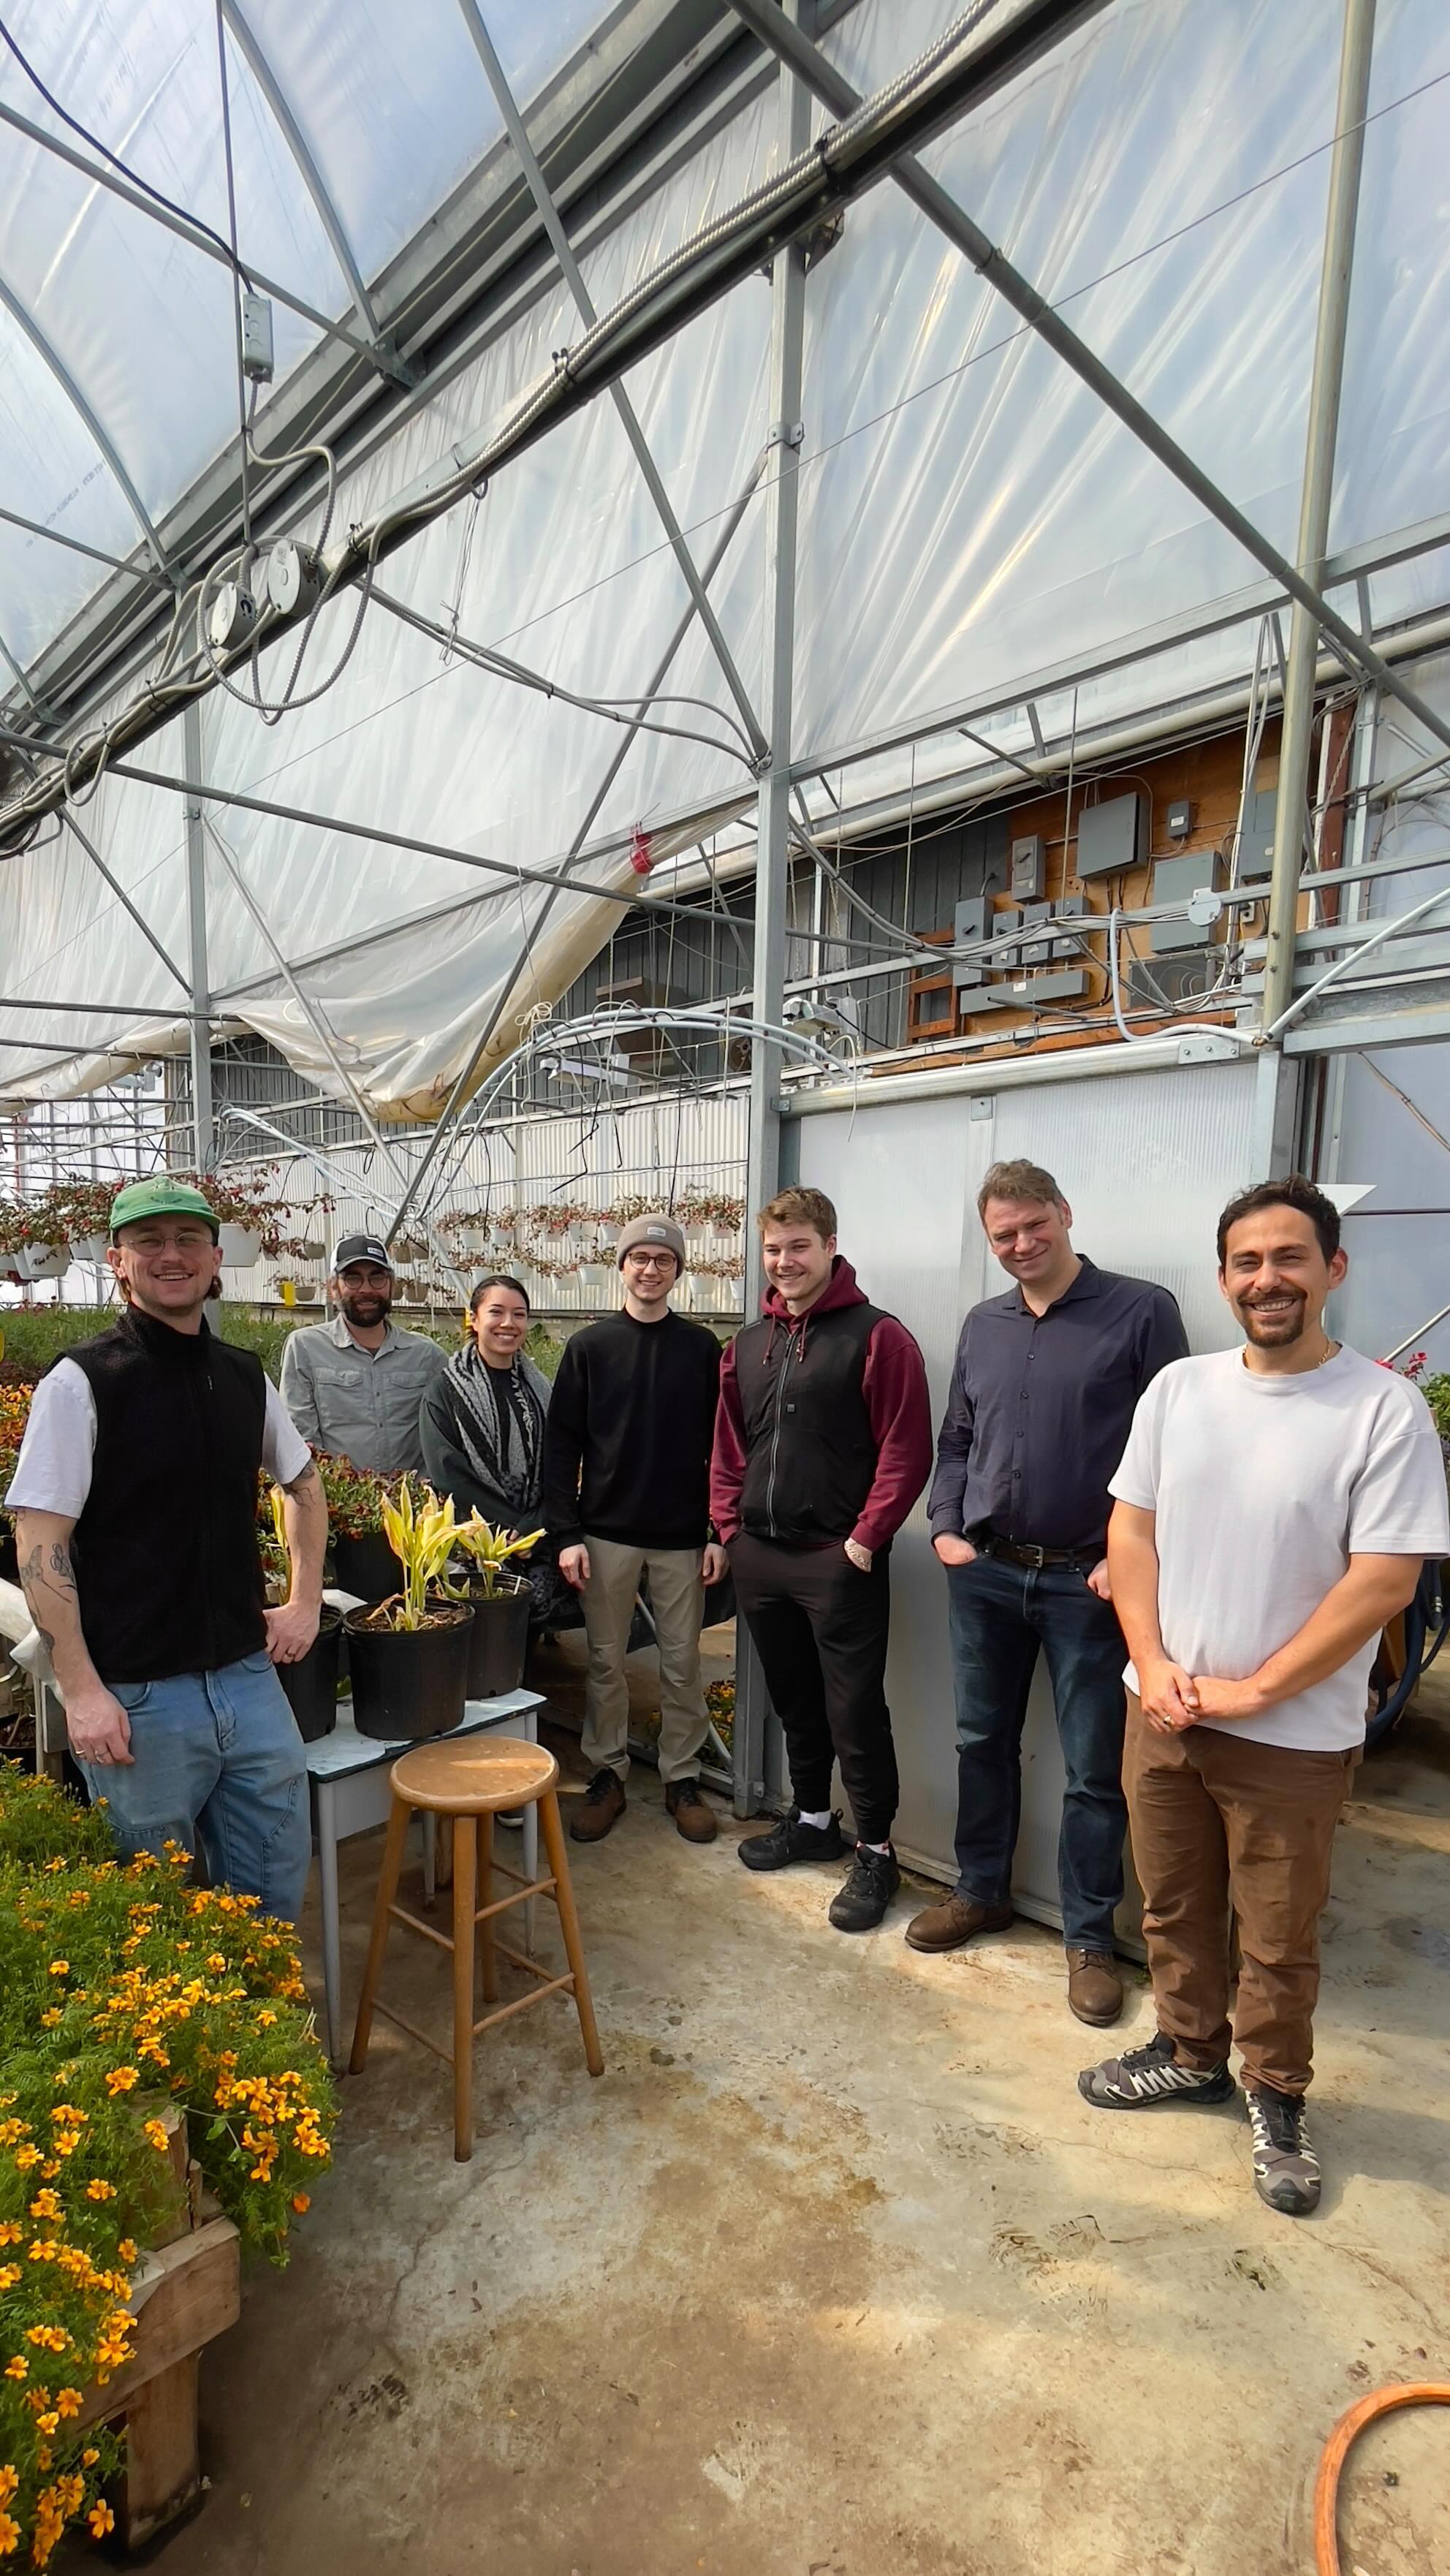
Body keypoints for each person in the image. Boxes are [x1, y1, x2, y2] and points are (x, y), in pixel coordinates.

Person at [1079, 1175, 1449, 2216]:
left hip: (1291, 1736)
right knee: (1175, 1903)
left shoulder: (1382, 1408)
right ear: (1223, 1279)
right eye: (1247, 1262)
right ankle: (1190, 2049)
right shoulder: (1180, 1391)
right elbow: (1132, 1534)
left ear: (1334, 1269)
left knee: (1279, 1933)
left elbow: (1384, 1580)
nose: (1267, 1278)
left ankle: (1276, 2094)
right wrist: (1152, 1664)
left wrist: (1255, 1691)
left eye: (1289, 1257)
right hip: (1162, 1714)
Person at [908, 1158, 1188, 2024]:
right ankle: (982, 1889)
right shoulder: (982, 1323)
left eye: (1034, 1225)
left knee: (1093, 1770)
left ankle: (1089, 1938)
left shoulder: (1140, 1310)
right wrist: (946, 1522)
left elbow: (1173, 1451)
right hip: (985, 1571)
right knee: (979, 1740)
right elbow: (956, 1435)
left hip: (1087, 1583)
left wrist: (1125, 1556)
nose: (1021, 1244)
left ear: (1065, 1214)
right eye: (1004, 1234)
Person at [4, 1178, 327, 1924]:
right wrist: (81, 1689)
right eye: (150, 1241)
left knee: (274, 1882)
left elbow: (304, 1484)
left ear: (217, 1258)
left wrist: (306, 1599)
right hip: (139, 1697)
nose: (171, 1256)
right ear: (118, 1260)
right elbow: (39, 1536)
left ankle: (260, 2028)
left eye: (188, 1240)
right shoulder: (82, 1380)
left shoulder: (244, 1375)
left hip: (248, 1679)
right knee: (157, 1909)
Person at [710, 1187, 932, 1933]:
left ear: (830, 1245)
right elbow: (728, 1449)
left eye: (798, 1246)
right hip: (761, 1556)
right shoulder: (745, 1345)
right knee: (794, 1697)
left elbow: (905, 1446)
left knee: (854, 1709)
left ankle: (875, 1848)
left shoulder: (877, 1337)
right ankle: (811, 1819)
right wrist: (729, 1529)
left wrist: (865, 1540)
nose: (785, 1261)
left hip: (839, 1560)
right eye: (773, 1249)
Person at [542, 1215, 725, 1847]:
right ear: (621, 1267)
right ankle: (608, 1773)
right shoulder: (590, 1348)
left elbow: (725, 1448)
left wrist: (718, 1531)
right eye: (639, 1258)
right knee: (604, 1662)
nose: (650, 1269)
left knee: (681, 1663)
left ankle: (681, 1776)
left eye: (663, 1259)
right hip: (605, 1533)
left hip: (680, 1536)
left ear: (678, 1271)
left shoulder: (702, 1349)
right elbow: (561, 1446)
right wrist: (566, 1533)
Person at [420, 1273, 567, 1627]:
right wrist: (508, 1531)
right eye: (497, 1312)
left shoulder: (540, 1390)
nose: (508, 1323)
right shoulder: (445, 1390)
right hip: (472, 1542)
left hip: (537, 1540)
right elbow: (448, 1472)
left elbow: (559, 1460)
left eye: (519, 1314)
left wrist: (537, 1524)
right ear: (473, 1318)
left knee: (526, 1642)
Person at [278, 1232, 445, 1474]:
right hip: (341, 1503)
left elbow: (445, 1437)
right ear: (333, 1287)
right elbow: (302, 1441)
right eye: (353, 1279)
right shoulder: (305, 1348)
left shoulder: (426, 1356)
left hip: (415, 1504)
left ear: (391, 1285)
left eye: (377, 1278)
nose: (366, 1289)